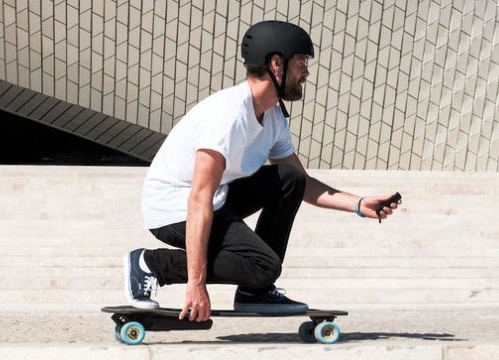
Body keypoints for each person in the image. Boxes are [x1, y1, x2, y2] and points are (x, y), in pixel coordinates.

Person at [124, 20, 401, 322]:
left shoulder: (273, 117)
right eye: (301, 64)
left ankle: (256, 290)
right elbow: (198, 199)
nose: (306, 73)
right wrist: (196, 283)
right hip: (174, 208)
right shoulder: (228, 117)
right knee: (263, 265)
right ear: (276, 64)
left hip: (217, 199)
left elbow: (301, 183)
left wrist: (359, 205)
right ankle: (151, 264)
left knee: (289, 178)